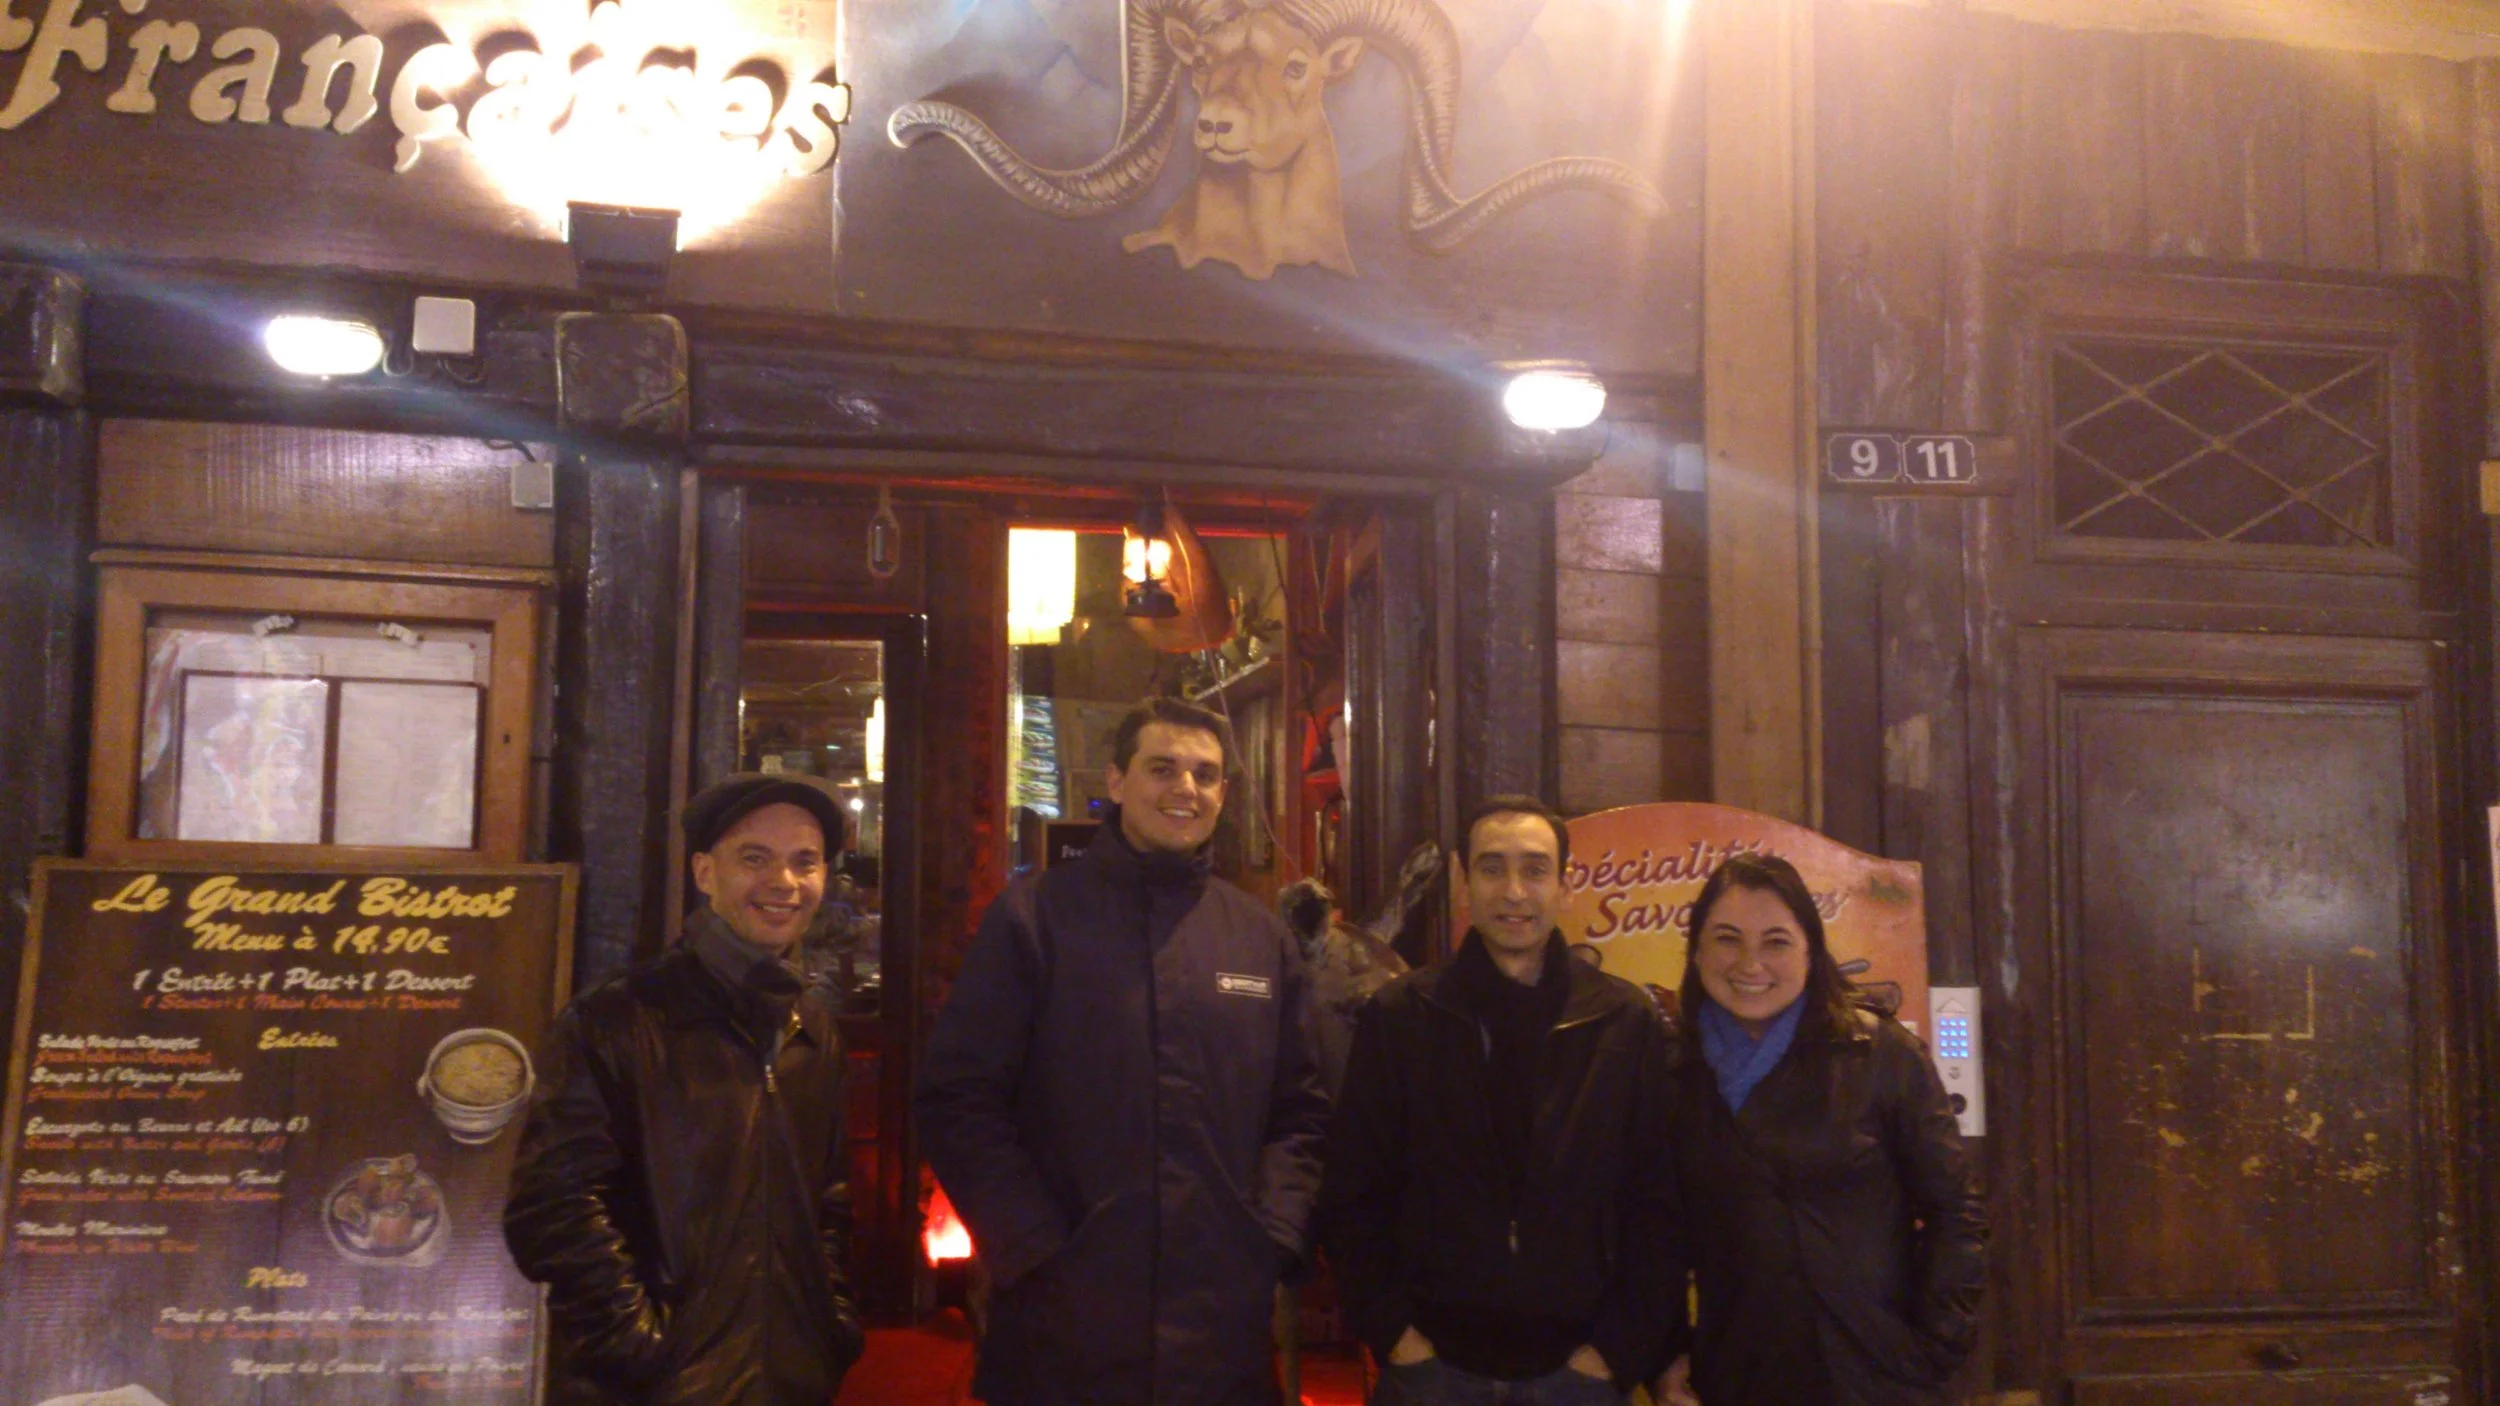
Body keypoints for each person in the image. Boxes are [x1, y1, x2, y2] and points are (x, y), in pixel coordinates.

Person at [917, 696, 1330, 1405]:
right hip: (1063, 1320)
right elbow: (958, 1098)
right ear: (1116, 780)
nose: (1186, 789)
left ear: (1225, 794)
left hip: (1219, 1328)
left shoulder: (1259, 938)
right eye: (1162, 768)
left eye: (1205, 774)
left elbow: (1303, 1112)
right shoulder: (1034, 919)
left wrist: (1271, 1237)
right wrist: (1034, 1248)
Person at [505, 773, 864, 1406]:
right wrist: (641, 1346)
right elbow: (553, 1207)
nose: (784, 883)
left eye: (804, 862)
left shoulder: (812, 1026)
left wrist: (829, 1322)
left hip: (792, 1376)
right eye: (755, 858)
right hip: (658, 1384)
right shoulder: (617, 1019)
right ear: (704, 872)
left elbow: (828, 1200)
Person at [1319, 795, 1685, 1405]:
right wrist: (1394, 1336)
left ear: (1565, 884)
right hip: (1430, 1372)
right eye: (1492, 868)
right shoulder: (1401, 1017)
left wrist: (1613, 1354)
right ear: (1463, 882)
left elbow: (1657, 1205)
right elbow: (1354, 1192)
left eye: (1535, 869)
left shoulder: (1623, 1021)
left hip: (1578, 1375)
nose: (1514, 891)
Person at [1656, 853, 1985, 1406]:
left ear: (1811, 950)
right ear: (1697, 951)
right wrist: (1667, 1353)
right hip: (1737, 1373)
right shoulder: (1671, 1071)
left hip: (1875, 1372)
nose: (1750, 963)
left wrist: (1937, 1343)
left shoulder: (1879, 1054)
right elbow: (1655, 1233)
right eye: (1727, 939)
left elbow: (1958, 1213)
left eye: (1776, 941)